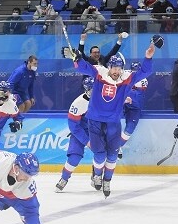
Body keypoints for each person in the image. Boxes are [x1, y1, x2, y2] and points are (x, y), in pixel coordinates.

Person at [71, 41, 155, 198]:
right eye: (113, 67)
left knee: (112, 156)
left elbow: (145, 72)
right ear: (108, 67)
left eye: (118, 68)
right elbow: (83, 67)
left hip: (113, 121)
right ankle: (97, 175)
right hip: (95, 120)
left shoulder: (127, 78)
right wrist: (77, 58)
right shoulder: (99, 72)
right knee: (100, 155)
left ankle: (107, 179)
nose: (116, 71)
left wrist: (148, 58)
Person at [55, 77, 94, 191]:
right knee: (74, 157)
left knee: (102, 155)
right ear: (86, 90)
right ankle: (64, 178)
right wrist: (87, 141)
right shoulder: (78, 103)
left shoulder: (104, 100)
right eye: (91, 90)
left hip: (97, 131)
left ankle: (97, 176)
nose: (93, 93)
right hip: (80, 131)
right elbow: (74, 126)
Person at [119, 61, 150, 159]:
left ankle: (118, 146)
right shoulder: (125, 74)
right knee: (111, 122)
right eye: (134, 70)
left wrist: (127, 95)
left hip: (134, 107)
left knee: (129, 129)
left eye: (137, 71)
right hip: (121, 104)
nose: (135, 72)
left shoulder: (143, 80)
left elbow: (137, 96)